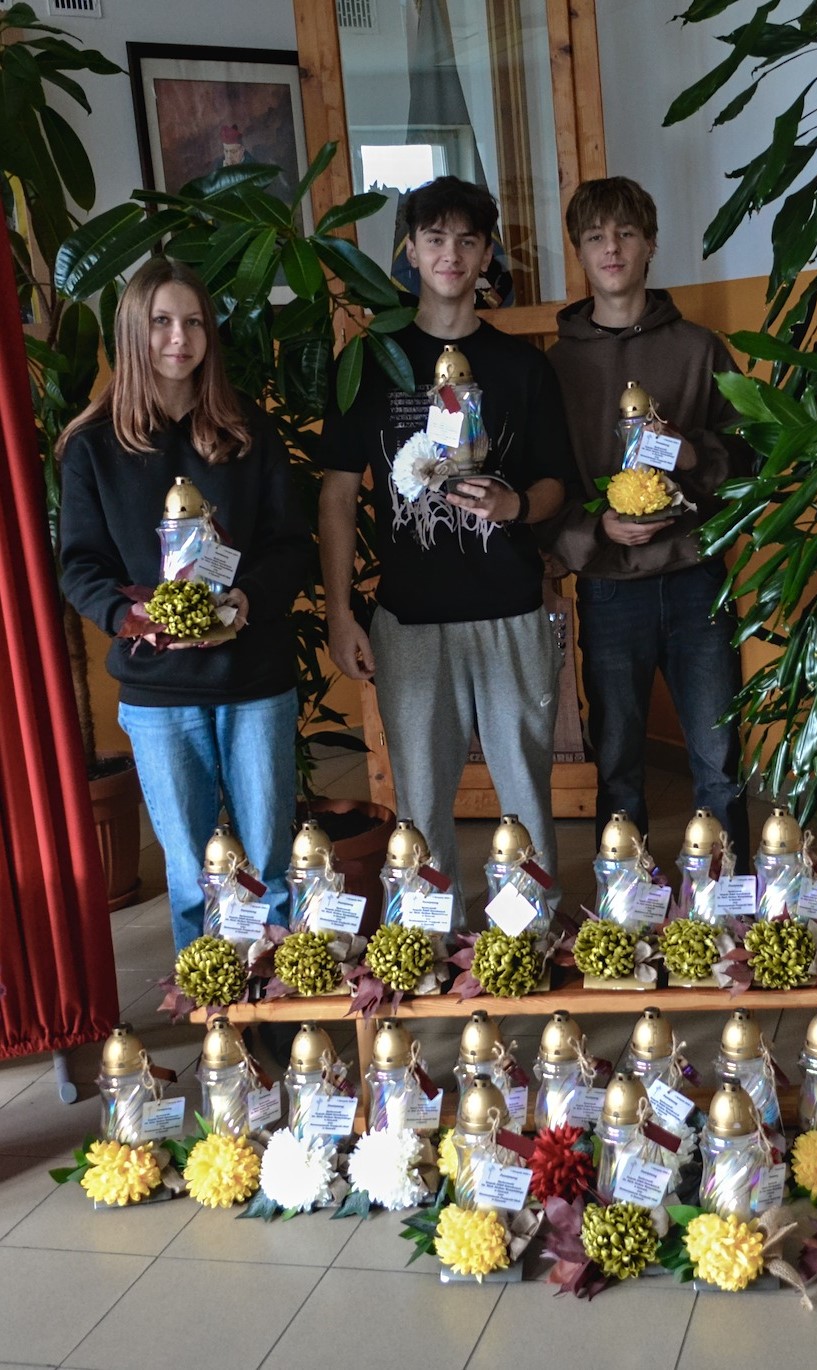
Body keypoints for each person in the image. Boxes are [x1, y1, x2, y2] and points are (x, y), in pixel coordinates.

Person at [319, 175, 573, 887]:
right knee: (421, 805)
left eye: (467, 241)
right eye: (434, 239)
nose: (451, 255)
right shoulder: (371, 363)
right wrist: (340, 612)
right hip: (410, 617)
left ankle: (527, 931)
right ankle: (429, 935)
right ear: (410, 250)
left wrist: (514, 506)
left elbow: (558, 482)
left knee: (525, 799)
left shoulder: (523, 366)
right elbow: (337, 495)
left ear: (487, 254)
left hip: (510, 609)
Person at [58, 257, 310, 953]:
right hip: (158, 689)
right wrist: (131, 619)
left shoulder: (248, 431)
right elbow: (80, 566)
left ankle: (282, 1007)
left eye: (194, 322)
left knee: (269, 867)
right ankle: (213, 1006)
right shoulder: (92, 447)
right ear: (133, 332)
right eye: (162, 322)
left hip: (253, 679)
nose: (179, 338)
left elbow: (291, 544)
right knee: (192, 873)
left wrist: (249, 597)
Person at [546, 176, 752, 854]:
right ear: (579, 251)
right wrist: (595, 529)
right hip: (610, 589)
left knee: (719, 761)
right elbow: (544, 482)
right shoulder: (557, 366)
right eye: (595, 237)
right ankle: (625, 902)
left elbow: (748, 456)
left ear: (650, 245)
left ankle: (729, 902)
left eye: (626, 234)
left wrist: (690, 452)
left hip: (696, 578)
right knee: (617, 767)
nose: (612, 249)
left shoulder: (698, 348)